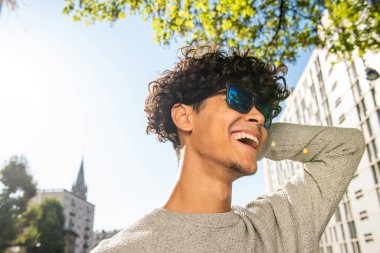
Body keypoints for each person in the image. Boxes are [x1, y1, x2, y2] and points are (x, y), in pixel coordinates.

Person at [91, 45, 365, 253]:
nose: (258, 116)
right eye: (239, 98)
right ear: (185, 118)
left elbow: (344, 147)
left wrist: (256, 138)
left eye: (266, 114)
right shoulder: (122, 249)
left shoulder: (277, 225)